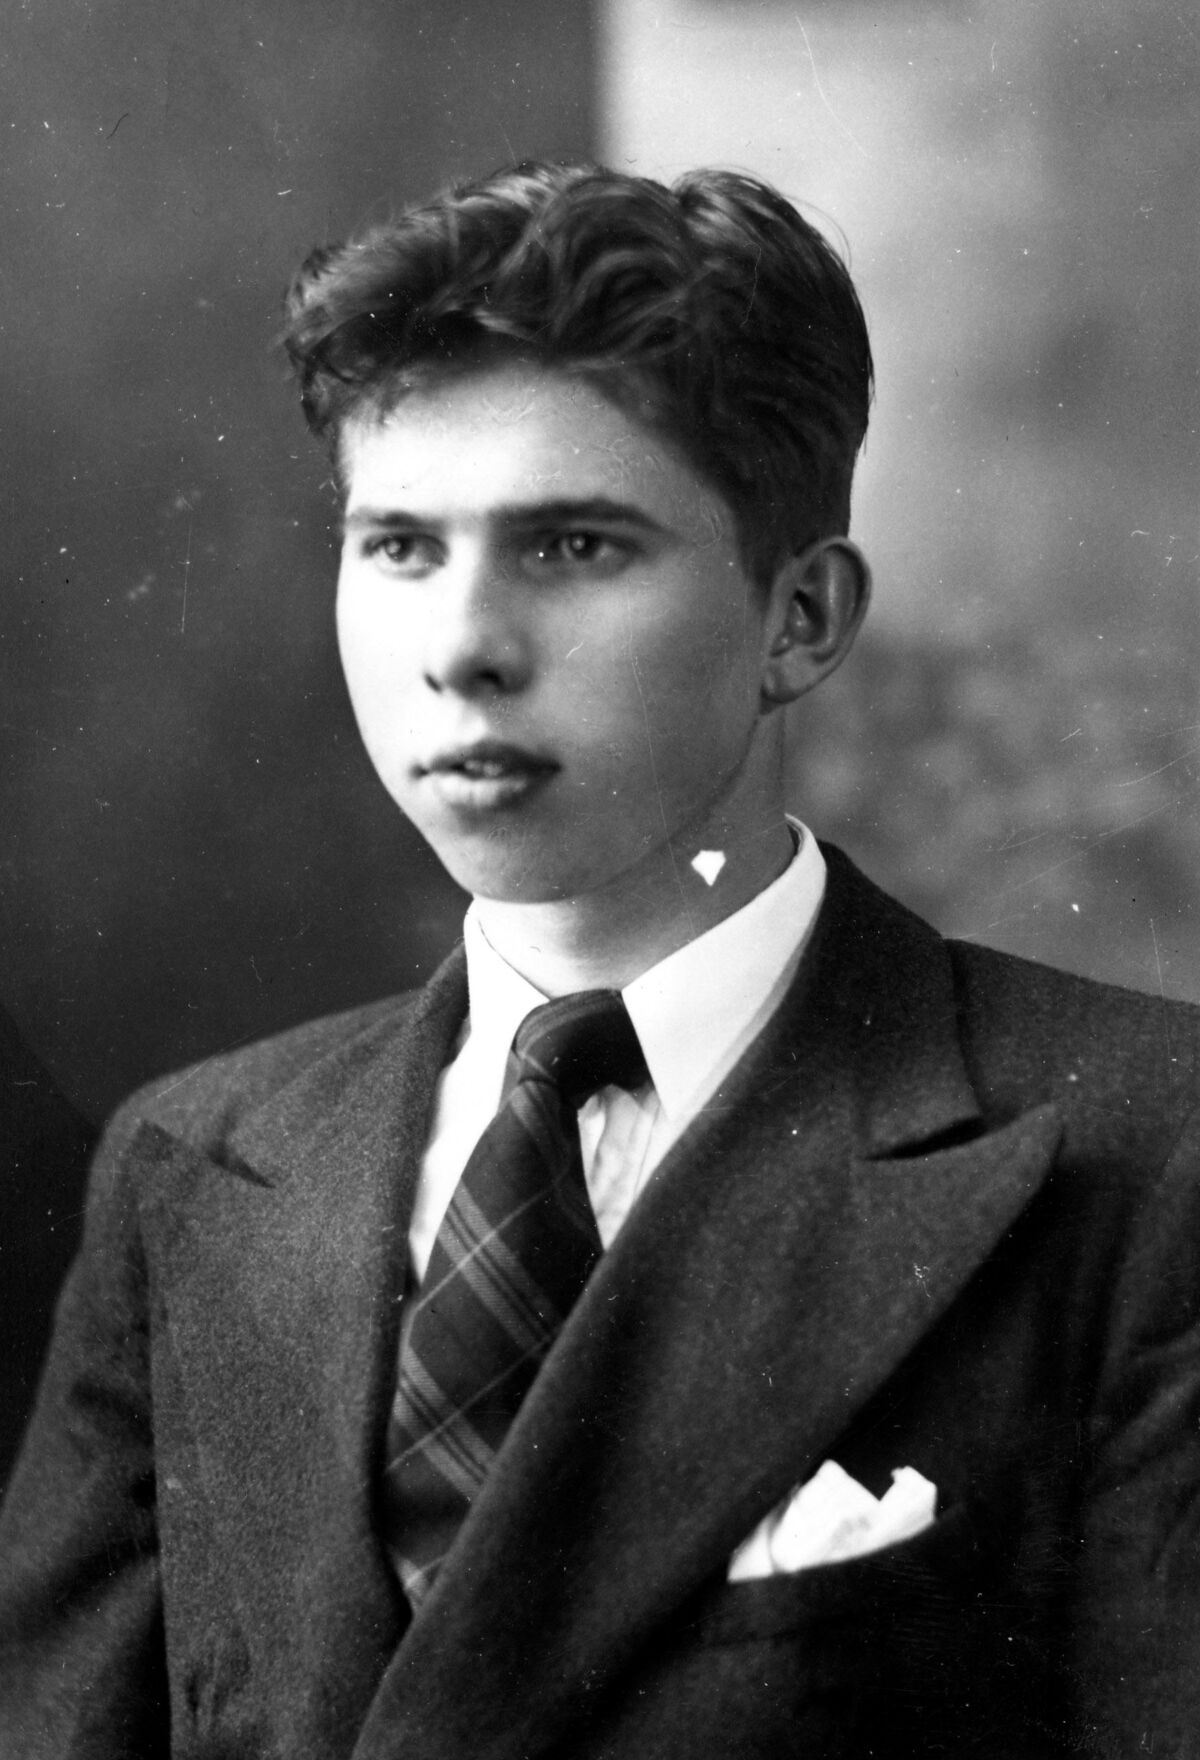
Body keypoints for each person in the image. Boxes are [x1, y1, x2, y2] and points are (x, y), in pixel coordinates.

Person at [1, 161, 1197, 1760]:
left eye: (571, 546)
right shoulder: (190, 1165)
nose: (461, 649)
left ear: (801, 618)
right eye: (400, 546)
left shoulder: (1151, 1155)